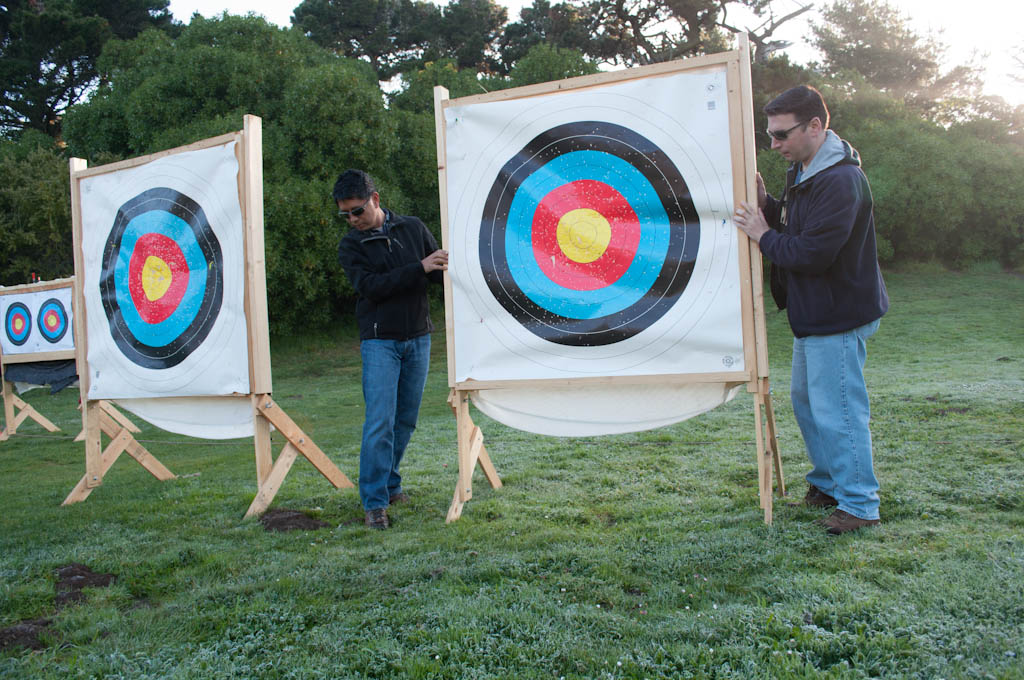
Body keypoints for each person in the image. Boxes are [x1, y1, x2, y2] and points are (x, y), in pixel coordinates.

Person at [733, 85, 889, 535]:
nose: (774, 145)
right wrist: (768, 206)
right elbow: (797, 224)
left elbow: (812, 253)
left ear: (816, 126)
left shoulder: (841, 180)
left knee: (838, 409)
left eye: (781, 135)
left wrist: (762, 234)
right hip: (816, 313)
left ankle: (859, 504)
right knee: (808, 404)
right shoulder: (807, 169)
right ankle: (827, 486)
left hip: (837, 314)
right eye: (770, 136)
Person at [335, 169, 448, 529]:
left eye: (357, 211)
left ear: (376, 199)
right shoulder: (350, 245)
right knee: (379, 423)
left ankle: (390, 483)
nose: (353, 220)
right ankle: (374, 503)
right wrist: (419, 267)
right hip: (379, 342)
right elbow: (371, 287)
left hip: (419, 336)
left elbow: (437, 273)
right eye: (346, 215)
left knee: (405, 421)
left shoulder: (413, 228)